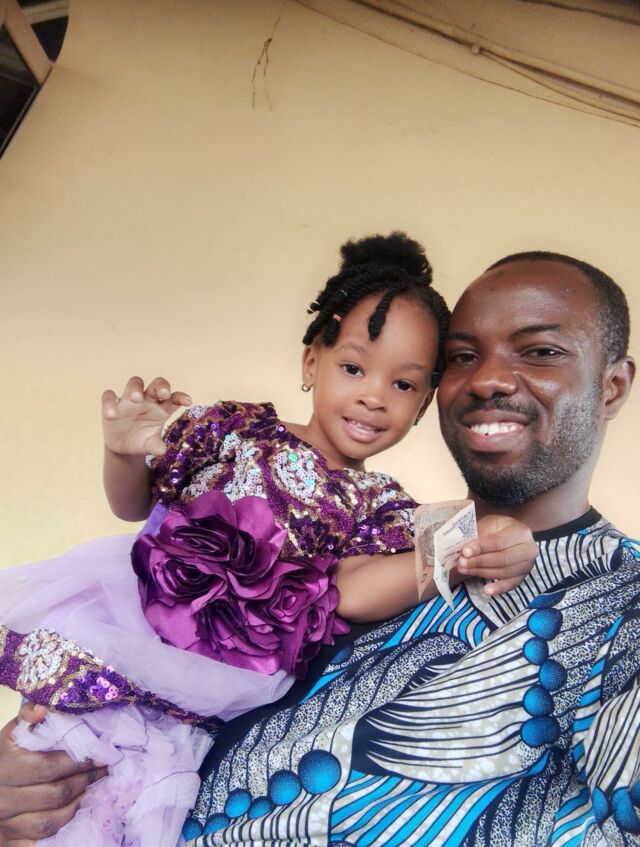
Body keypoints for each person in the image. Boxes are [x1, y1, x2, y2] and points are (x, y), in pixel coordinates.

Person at [0, 234, 535, 847]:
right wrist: (121, 452)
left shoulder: (380, 505)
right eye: (353, 368)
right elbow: (134, 505)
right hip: (130, 636)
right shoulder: (237, 431)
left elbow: (350, 590)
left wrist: (458, 549)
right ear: (311, 364)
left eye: (404, 385)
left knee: (127, 810)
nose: (373, 396)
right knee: (53, 773)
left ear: (422, 406)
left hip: (210, 692)